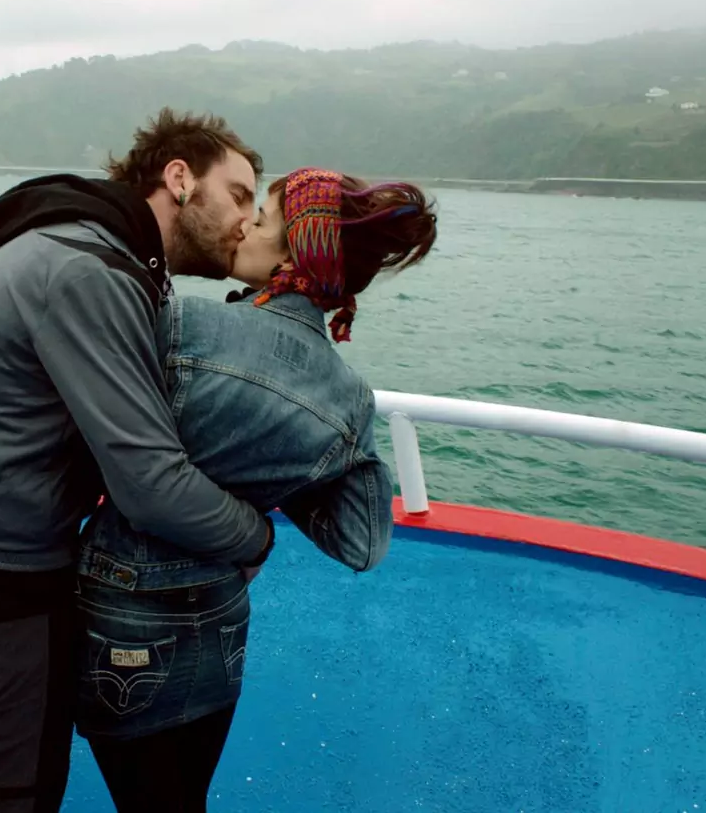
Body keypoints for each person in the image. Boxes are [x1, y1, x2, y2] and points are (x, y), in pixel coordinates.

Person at [0, 108, 281, 813]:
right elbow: (151, 485)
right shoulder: (95, 270)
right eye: (240, 195)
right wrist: (255, 537)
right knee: (11, 793)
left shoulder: (51, 231)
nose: (248, 222)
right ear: (180, 178)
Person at [72, 168, 439, 812]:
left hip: (122, 610)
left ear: (295, 253)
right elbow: (362, 543)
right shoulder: (350, 399)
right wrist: (285, 463)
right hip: (221, 617)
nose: (244, 225)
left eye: (263, 218)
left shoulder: (178, 321)